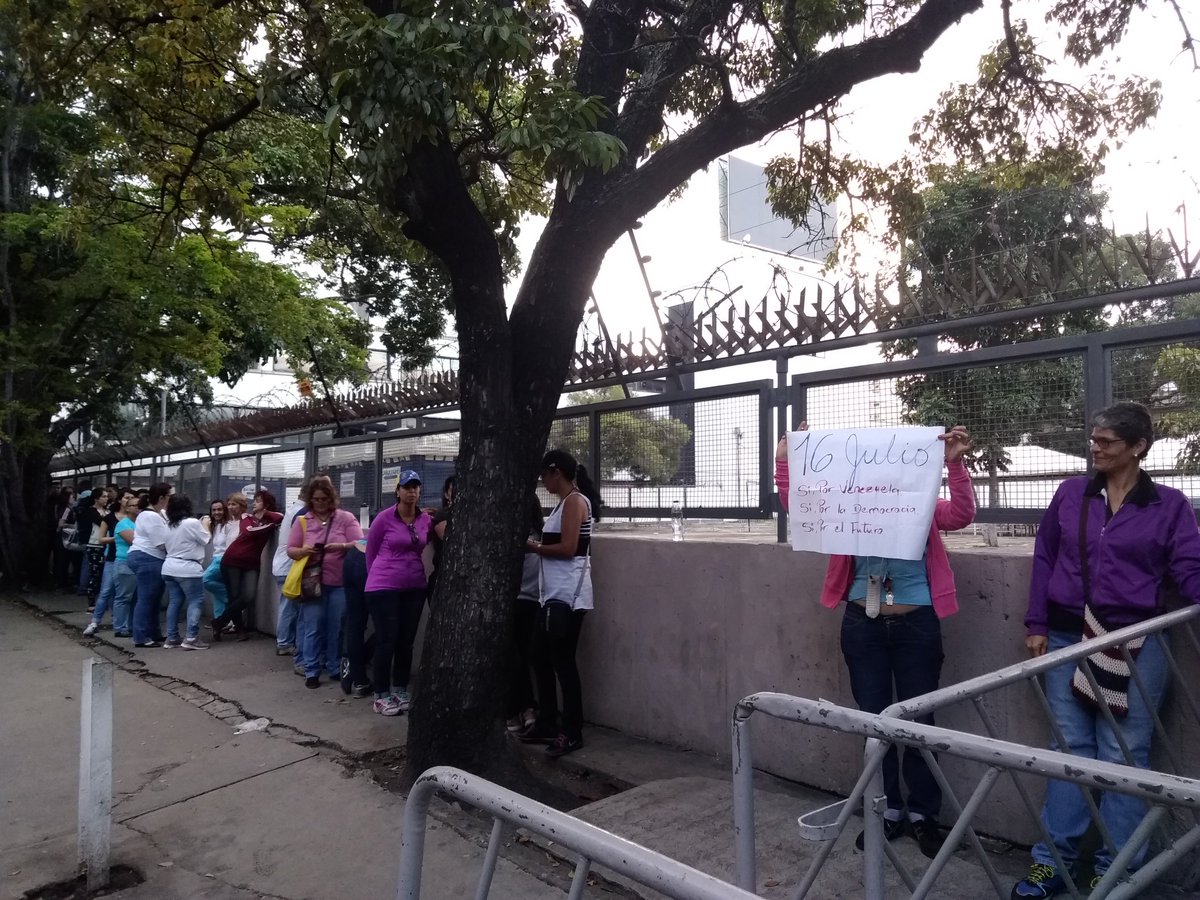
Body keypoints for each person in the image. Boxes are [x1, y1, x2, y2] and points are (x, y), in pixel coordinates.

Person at [1012, 402, 1200, 899]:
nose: (1096, 448)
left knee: (1125, 753)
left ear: (1138, 447)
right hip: (1066, 634)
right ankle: (1051, 862)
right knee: (1069, 748)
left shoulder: (1169, 505)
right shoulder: (1072, 494)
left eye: (1108, 441)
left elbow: (1188, 570)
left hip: (1139, 638)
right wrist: (1036, 621)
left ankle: (1116, 866)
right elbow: (1046, 556)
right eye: (1094, 439)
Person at [775, 423, 976, 859]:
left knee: (919, 723)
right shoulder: (846, 505)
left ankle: (924, 815)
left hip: (916, 626)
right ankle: (886, 811)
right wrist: (785, 459)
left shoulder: (920, 507)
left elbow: (960, 514)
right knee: (873, 723)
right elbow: (799, 505)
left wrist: (956, 464)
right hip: (862, 625)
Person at [520, 449, 602, 758]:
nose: (543, 481)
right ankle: (547, 721)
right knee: (539, 656)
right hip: (552, 595)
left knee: (562, 661)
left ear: (557, 472)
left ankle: (571, 730)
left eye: (545, 474)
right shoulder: (563, 505)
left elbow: (568, 548)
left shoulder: (574, 503)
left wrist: (533, 547)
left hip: (568, 596)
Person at [364, 471, 432, 714]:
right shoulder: (384, 518)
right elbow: (370, 551)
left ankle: (400, 688)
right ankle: (380, 694)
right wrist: (378, 578)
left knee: (406, 641)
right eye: (406, 487)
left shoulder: (425, 519)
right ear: (398, 491)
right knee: (387, 639)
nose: (411, 492)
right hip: (384, 586)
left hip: (414, 586)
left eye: (415, 487)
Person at [287, 477, 363, 688]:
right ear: (311, 501)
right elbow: (290, 549)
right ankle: (311, 669)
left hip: (338, 581)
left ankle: (333, 665)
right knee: (312, 626)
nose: (320, 503)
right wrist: (304, 551)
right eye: (316, 499)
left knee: (336, 626)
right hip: (312, 582)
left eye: (324, 499)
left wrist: (340, 546)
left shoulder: (345, 518)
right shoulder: (303, 521)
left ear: (331, 499)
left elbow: (360, 543)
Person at [215, 490, 283, 638]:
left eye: (258, 501)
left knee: (248, 596)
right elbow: (249, 531)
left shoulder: (268, 518)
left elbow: (280, 517)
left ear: (266, 504)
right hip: (233, 559)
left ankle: (219, 622)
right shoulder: (247, 517)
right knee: (234, 596)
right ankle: (240, 630)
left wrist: (266, 514)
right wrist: (270, 526)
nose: (254, 503)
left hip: (252, 563)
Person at [506, 493, 544, 733]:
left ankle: (525, 708)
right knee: (516, 658)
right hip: (521, 602)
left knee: (522, 658)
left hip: (530, 601)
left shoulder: (537, 537)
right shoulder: (516, 536)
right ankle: (521, 708)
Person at [161, 495, 212, 650]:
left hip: (169, 567)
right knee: (195, 600)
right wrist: (206, 524)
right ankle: (191, 637)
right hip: (188, 568)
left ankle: (172, 637)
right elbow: (206, 539)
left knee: (175, 602)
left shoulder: (168, 525)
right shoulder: (191, 522)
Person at [83, 490, 136, 637]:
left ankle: (120, 622)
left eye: (132, 498)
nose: (130, 501)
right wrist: (119, 537)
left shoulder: (136, 518)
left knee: (125, 594)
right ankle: (95, 621)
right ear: (120, 500)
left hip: (131, 559)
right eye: (127, 498)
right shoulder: (110, 518)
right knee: (107, 590)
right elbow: (101, 539)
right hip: (113, 557)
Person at [128, 483, 173, 648]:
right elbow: (161, 543)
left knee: (153, 598)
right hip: (149, 558)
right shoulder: (151, 516)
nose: (171, 500)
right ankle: (140, 636)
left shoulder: (152, 514)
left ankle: (153, 632)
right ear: (162, 498)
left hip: (145, 557)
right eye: (169, 496)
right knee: (147, 598)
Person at [271, 490, 309, 656]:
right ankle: (285, 642)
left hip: (281, 564)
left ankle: (285, 641)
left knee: (287, 606)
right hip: (289, 566)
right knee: (290, 608)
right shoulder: (302, 513)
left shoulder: (292, 510)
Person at [201, 498, 240, 628]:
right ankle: (221, 621)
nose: (217, 512)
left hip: (224, 560)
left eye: (219, 509)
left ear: (225, 510)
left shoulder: (229, 525)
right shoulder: (215, 525)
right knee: (217, 594)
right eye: (214, 510)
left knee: (205, 580)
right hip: (216, 559)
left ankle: (233, 602)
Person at [426, 475, 456, 605]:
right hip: (442, 579)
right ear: (446, 493)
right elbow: (451, 540)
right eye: (453, 490)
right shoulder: (443, 515)